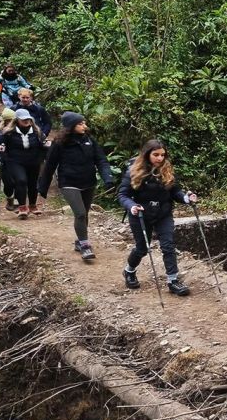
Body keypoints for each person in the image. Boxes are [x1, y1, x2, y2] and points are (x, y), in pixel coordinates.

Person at [117, 139, 197, 295]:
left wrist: (187, 199)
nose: (160, 158)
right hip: (140, 214)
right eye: (156, 155)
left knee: (168, 245)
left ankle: (173, 281)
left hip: (163, 213)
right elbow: (123, 194)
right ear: (147, 155)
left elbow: (175, 192)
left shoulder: (167, 170)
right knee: (142, 248)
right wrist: (131, 206)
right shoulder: (133, 171)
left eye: (162, 155)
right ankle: (129, 271)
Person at [38, 112, 113, 260]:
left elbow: (101, 160)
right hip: (69, 183)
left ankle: (79, 241)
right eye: (80, 123)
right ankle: (85, 245)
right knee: (79, 213)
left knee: (84, 214)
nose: (85, 126)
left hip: (88, 182)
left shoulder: (89, 140)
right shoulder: (59, 143)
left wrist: (107, 178)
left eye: (84, 123)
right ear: (71, 126)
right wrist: (43, 187)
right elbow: (50, 165)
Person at [0, 108, 47, 219]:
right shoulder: (8, 133)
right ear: (17, 120)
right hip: (15, 161)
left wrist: (46, 148)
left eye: (28, 119)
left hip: (33, 161)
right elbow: (0, 145)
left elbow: (43, 144)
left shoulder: (37, 131)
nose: (26, 121)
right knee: (21, 180)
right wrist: (1, 150)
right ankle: (22, 207)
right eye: (23, 119)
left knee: (33, 183)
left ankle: (33, 205)